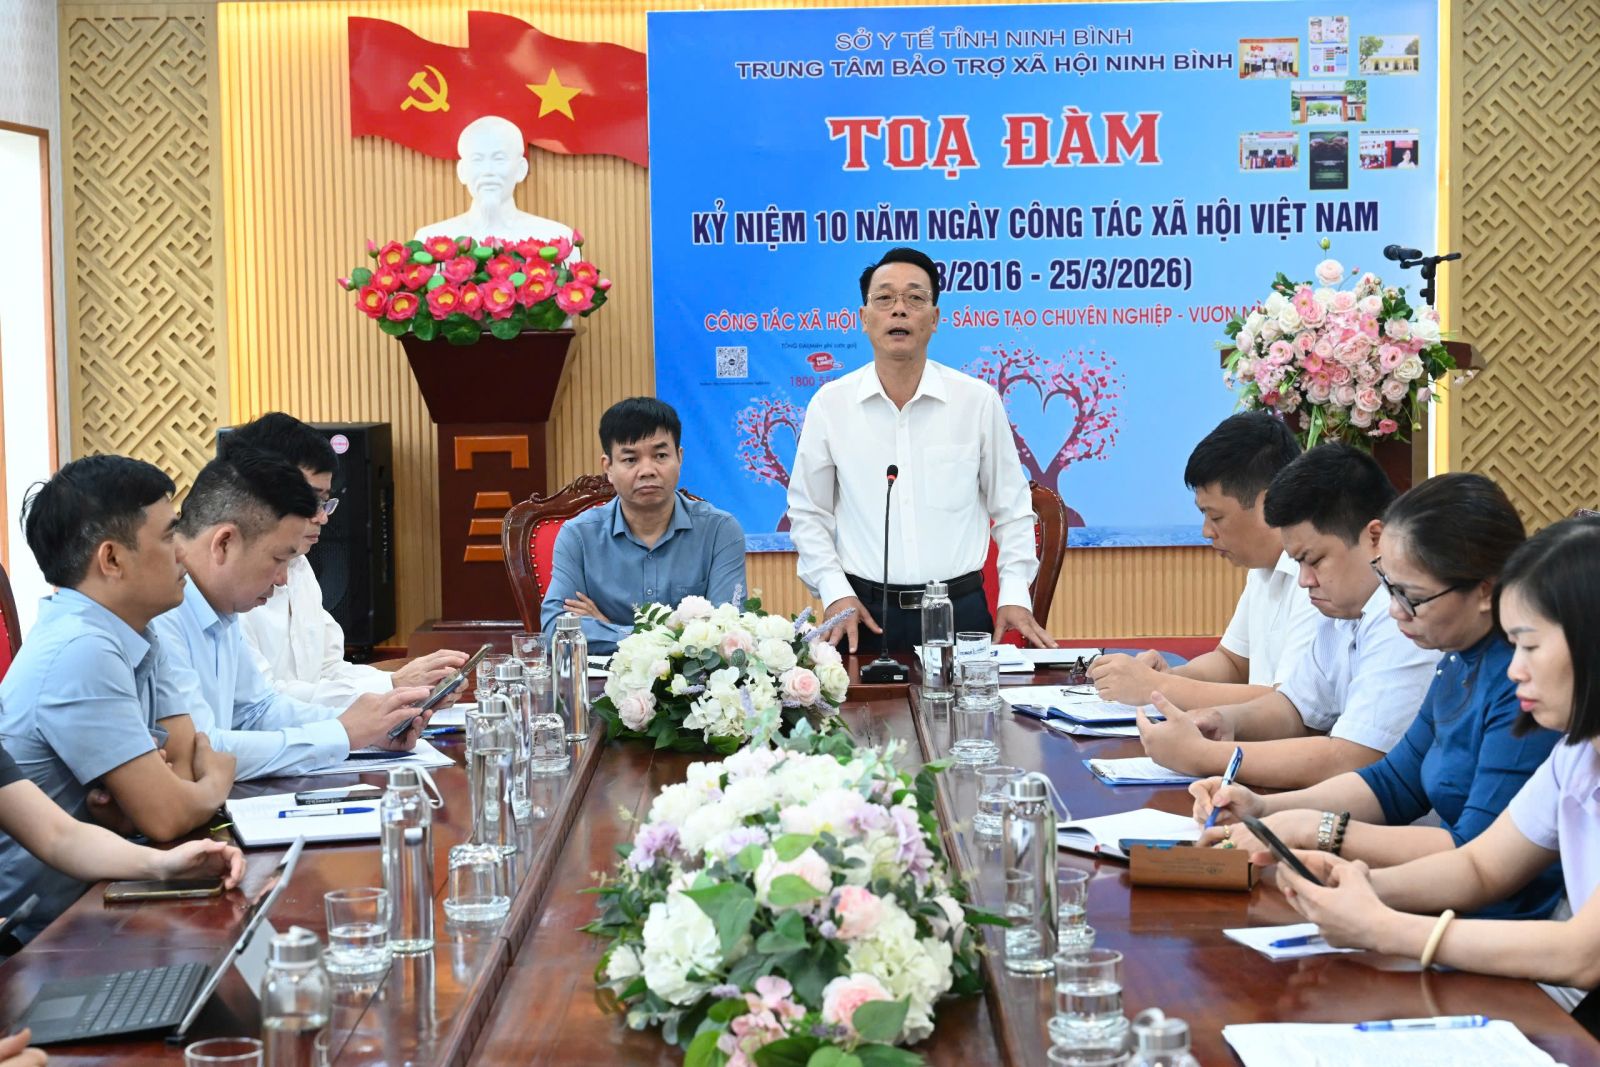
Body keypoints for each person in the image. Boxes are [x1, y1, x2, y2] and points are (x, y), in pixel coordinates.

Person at [1190, 473, 1563, 920]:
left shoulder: (1529, 687)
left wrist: (1316, 830)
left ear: (1484, 589)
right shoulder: (1457, 659)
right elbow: (1393, 783)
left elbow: (1476, 854)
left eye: (1411, 596)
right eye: (1389, 587)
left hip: (1502, 925)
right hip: (1440, 908)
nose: (1395, 610)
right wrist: (1265, 809)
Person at [1271, 517, 1600, 1009]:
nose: (1514, 669)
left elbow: (1583, 954)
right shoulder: (1576, 754)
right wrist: (1355, 885)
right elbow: (1481, 865)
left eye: (1529, 646)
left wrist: (1384, 926)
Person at [0, 455, 238, 942]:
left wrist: (155, 816)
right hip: (43, 937)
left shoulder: (141, 630)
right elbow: (169, 812)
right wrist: (215, 785)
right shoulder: (80, 649)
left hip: (105, 899)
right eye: (169, 535)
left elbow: (179, 773)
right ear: (111, 559)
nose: (183, 552)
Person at [787, 246, 1055, 652]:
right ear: (864, 318)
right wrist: (834, 591)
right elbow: (809, 513)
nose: (899, 309)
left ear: (934, 318)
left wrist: (1015, 592)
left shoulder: (976, 402)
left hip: (960, 613)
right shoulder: (830, 405)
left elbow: (1013, 510)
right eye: (884, 298)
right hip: (865, 616)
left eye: (915, 298)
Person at [1135, 443, 1436, 788]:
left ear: (1375, 538)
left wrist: (1205, 755)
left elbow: (1352, 759)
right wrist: (1223, 720)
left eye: (1315, 560)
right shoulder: (1342, 610)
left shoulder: (1403, 617)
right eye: (1299, 564)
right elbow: (1294, 709)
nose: (1305, 580)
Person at [152, 447, 429, 780]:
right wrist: (343, 733)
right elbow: (201, 752)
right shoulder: (159, 612)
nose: (283, 579)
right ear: (224, 543)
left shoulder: (220, 603)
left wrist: (366, 730)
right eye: (278, 559)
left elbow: (257, 710)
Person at [225, 413, 467, 703]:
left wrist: (405, 688)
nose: (322, 517)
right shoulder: (225, 586)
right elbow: (263, 703)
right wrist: (393, 686)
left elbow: (329, 671)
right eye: (310, 500)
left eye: (325, 501)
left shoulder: (300, 566)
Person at [1090, 413, 1317, 708]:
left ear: (1269, 502)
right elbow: (1232, 663)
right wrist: (1169, 676)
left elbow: (1289, 704)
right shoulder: (1261, 565)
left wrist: (1158, 688)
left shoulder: (1316, 576)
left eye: (1216, 517)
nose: (1207, 531)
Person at [541, 397, 746, 653]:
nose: (647, 470)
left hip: (691, 680)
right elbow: (556, 628)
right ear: (608, 467)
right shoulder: (578, 536)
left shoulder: (719, 531)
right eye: (630, 459)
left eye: (660, 455)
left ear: (679, 457)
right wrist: (664, 636)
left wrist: (609, 627)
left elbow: (726, 631)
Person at [414, 115, 574, 247]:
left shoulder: (557, 240)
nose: (488, 171)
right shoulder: (429, 241)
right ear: (462, 171)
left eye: (499, 159)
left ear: (521, 169)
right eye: (477, 160)